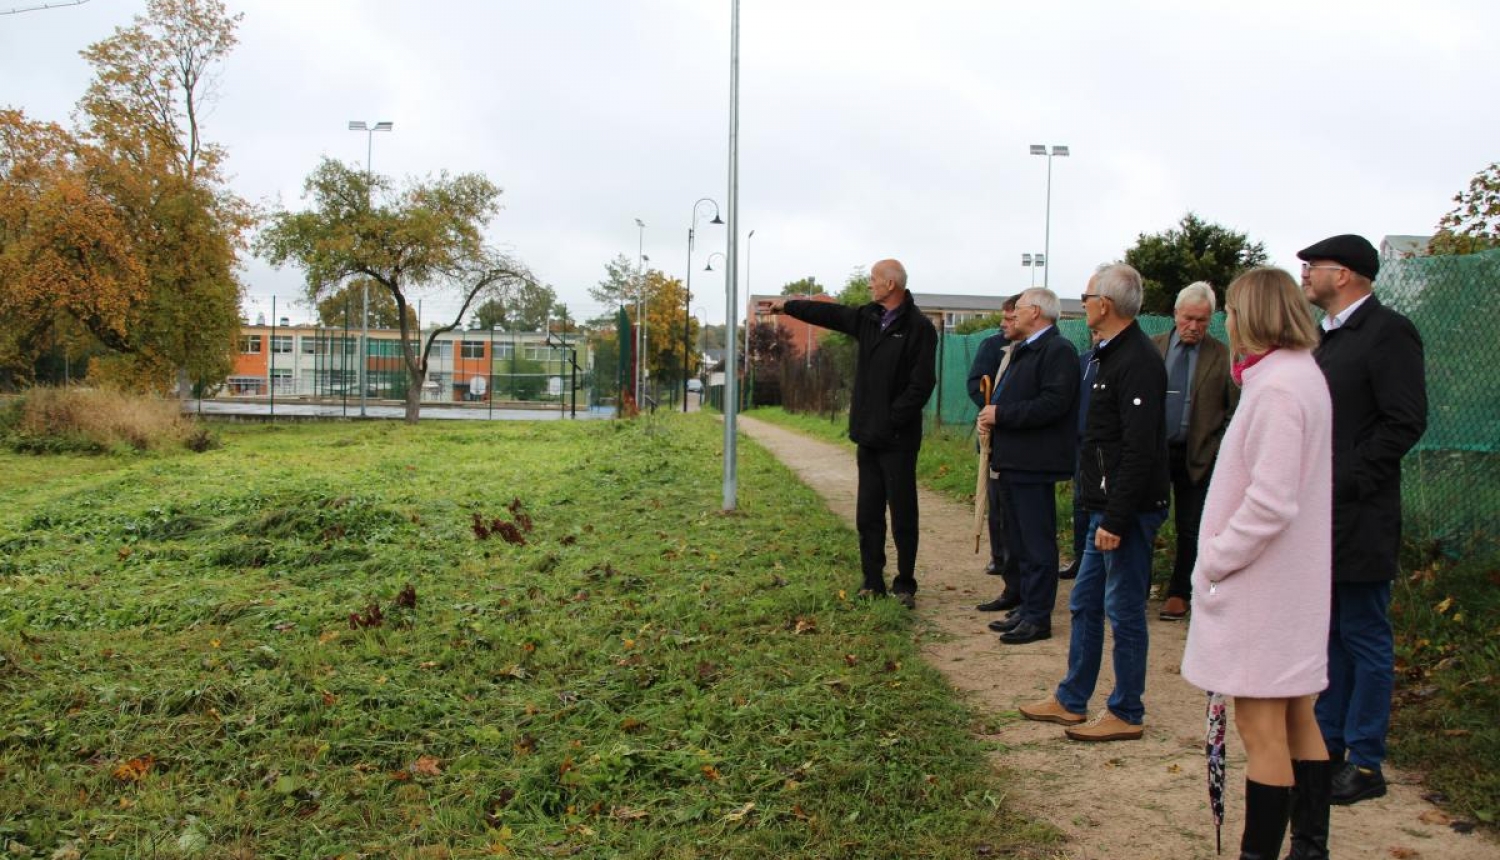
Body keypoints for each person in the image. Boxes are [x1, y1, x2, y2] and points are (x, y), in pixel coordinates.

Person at [1180, 267, 1334, 860]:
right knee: (1299, 717)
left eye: (1235, 311)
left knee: (1262, 729)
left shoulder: (1276, 388)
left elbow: (1269, 501)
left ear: (1257, 316)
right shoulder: (1301, 376)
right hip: (1293, 584)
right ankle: (1310, 849)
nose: (1229, 322)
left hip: (1263, 585)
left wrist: (1216, 556)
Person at [1299, 234, 1427, 806]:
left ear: (1345, 275)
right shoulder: (1326, 339)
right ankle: (1328, 746)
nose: (1305, 275)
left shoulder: (1386, 331)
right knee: (1329, 635)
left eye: (1313, 267)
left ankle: (1367, 762)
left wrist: (1349, 479)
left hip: (1362, 516)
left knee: (1365, 635)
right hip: (1323, 517)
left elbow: (1404, 420)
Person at [1019, 263, 1169, 742]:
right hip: (1102, 504)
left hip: (1126, 510)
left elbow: (1140, 448)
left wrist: (1118, 517)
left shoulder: (1138, 361)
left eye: (1085, 296)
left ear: (1104, 304)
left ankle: (1127, 709)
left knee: (1123, 609)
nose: (1081, 304)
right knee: (1084, 603)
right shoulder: (1105, 355)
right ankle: (1071, 699)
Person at [762, 259, 938, 608]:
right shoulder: (868, 318)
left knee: (903, 512)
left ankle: (905, 584)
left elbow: (921, 385)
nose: (870, 285)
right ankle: (872, 580)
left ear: (891, 285)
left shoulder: (919, 328)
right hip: (867, 435)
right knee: (868, 512)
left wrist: (891, 419)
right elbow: (830, 314)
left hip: (898, 438)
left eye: (874, 280)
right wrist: (789, 305)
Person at [976, 288, 1079, 643]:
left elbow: (1054, 403)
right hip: (1015, 460)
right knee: (1018, 539)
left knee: (1037, 542)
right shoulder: (1026, 349)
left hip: (1035, 462)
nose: (1012, 316)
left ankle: (1038, 616)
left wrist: (1001, 414)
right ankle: (1026, 607)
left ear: (1035, 312)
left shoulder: (1057, 351)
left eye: (1017, 310)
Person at [1153, 282, 1238, 621]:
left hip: (1198, 456)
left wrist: (1215, 445)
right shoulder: (1153, 348)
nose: (1194, 326)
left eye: (1202, 321)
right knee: (1146, 522)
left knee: (1191, 527)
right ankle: (1137, 584)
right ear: (1175, 315)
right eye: (1188, 318)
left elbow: (1234, 410)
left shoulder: (1222, 355)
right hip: (1155, 454)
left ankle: (1179, 592)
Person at [966, 295, 1022, 611]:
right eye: (1003, 317)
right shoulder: (991, 346)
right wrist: (989, 410)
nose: (1003, 323)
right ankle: (998, 555)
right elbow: (976, 383)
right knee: (995, 500)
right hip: (993, 436)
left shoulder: (1034, 349)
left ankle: (1017, 571)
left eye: (1010, 316)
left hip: (1021, 439)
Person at [1061, 329, 1102, 581]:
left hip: (1104, 446)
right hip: (1080, 443)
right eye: (1095, 332)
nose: (1098, 336)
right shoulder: (1084, 360)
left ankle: (1097, 565)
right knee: (1080, 502)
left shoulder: (1119, 361)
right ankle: (1080, 557)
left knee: (1100, 504)